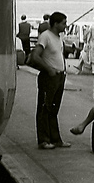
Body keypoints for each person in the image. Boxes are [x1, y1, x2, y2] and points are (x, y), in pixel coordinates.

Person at [30, 11, 72, 149]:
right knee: (44, 108)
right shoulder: (45, 37)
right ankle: (43, 139)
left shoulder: (58, 38)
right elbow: (35, 56)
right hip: (49, 77)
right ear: (55, 24)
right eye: (63, 23)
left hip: (60, 77)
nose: (66, 26)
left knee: (54, 109)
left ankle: (55, 139)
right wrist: (49, 69)